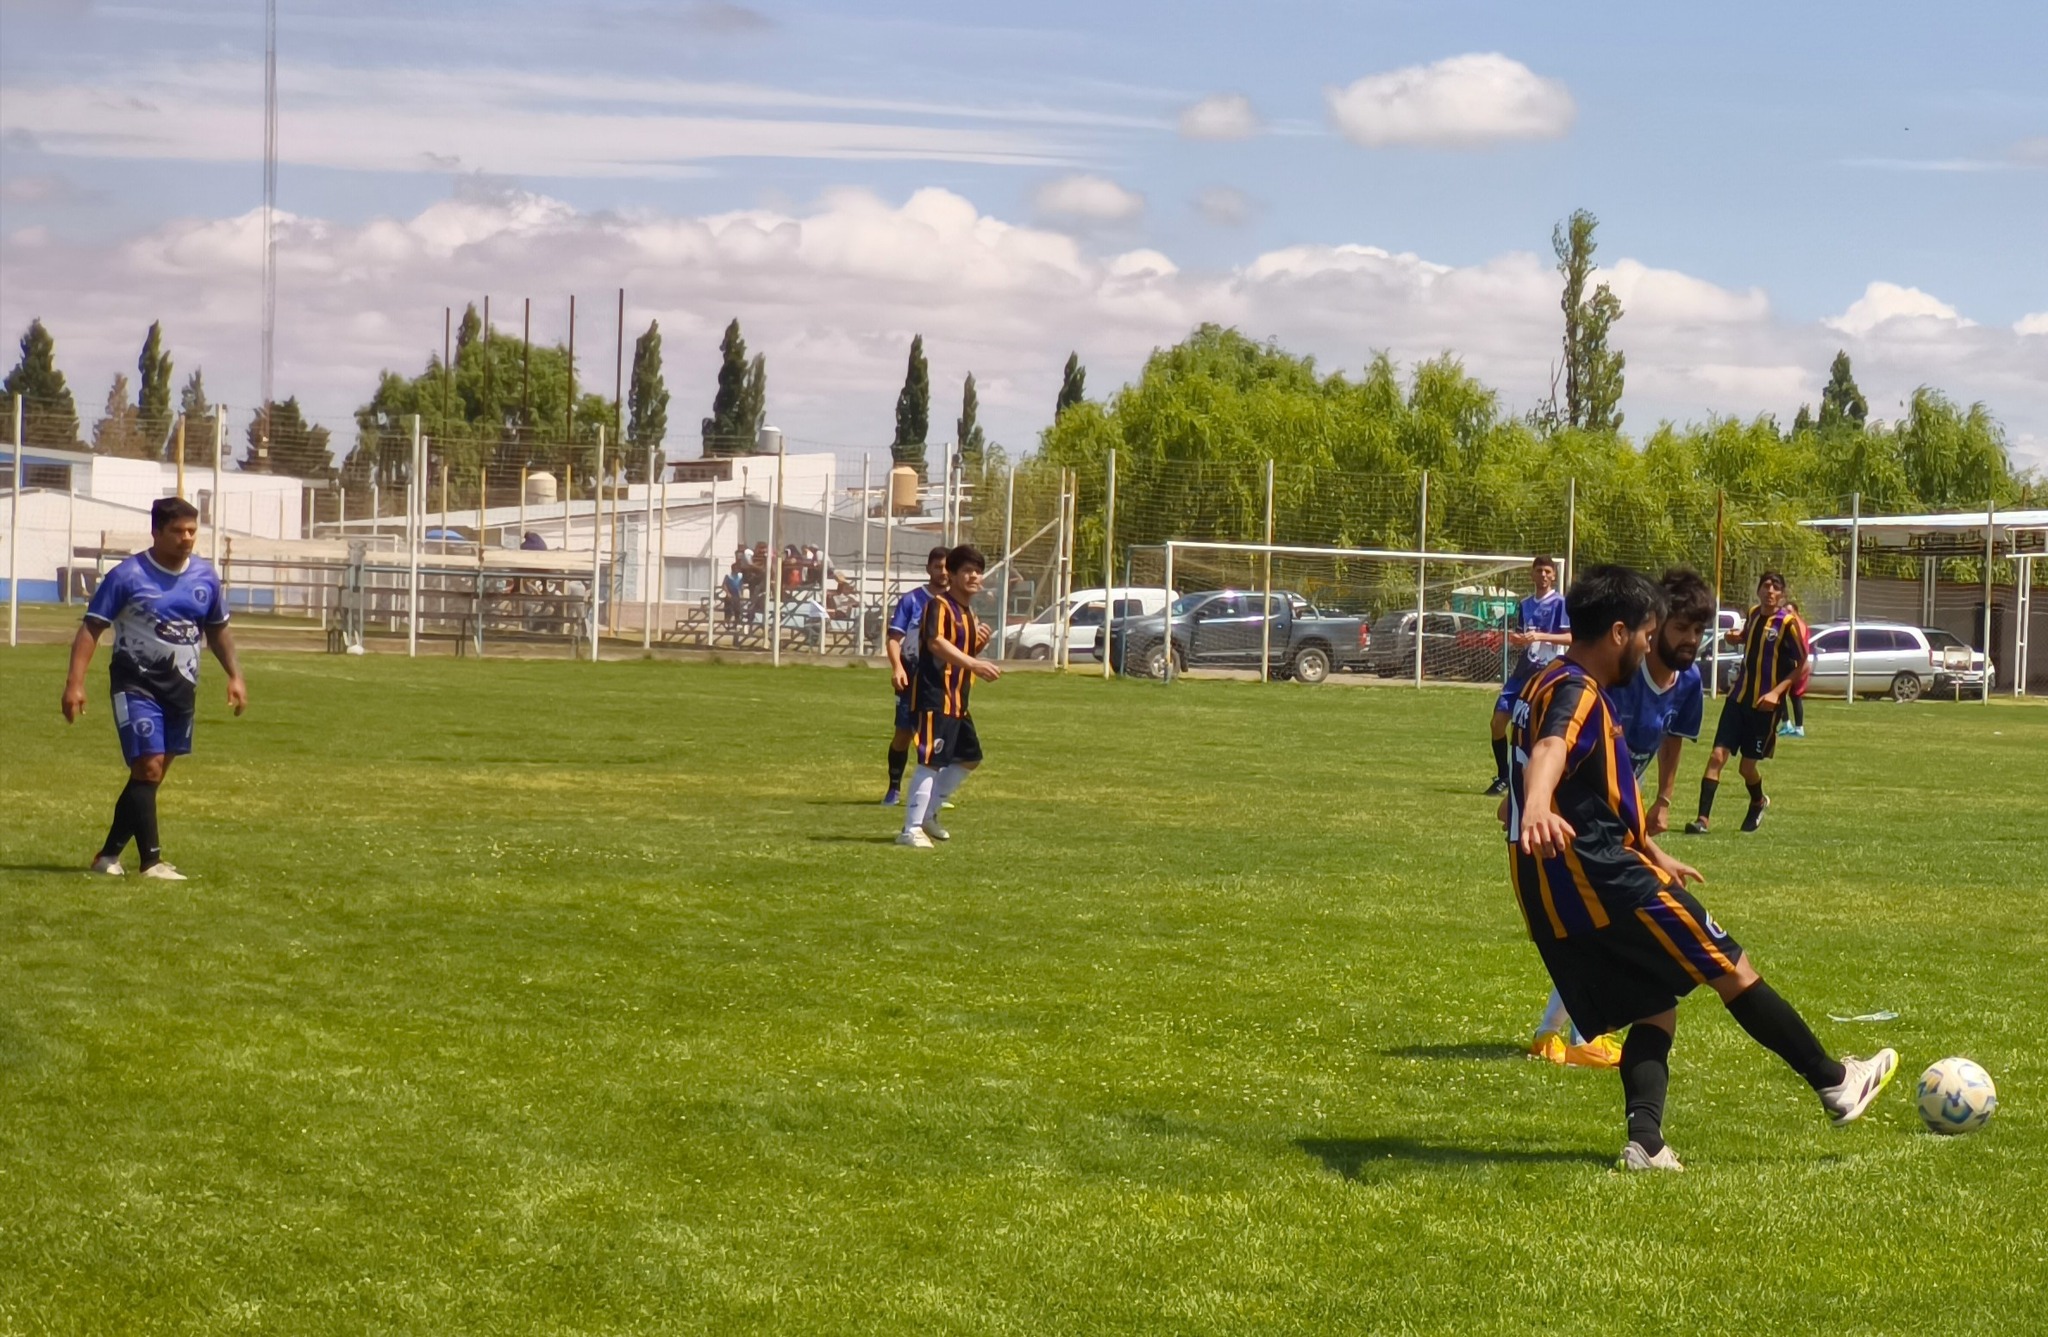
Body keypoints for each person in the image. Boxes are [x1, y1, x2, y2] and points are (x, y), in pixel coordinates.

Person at [1506, 564, 1897, 1170]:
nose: (1647, 645)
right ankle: (1834, 1081)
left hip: (1551, 889)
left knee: (1656, 1000)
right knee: (1731, 967)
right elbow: (1552, 750)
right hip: (1604, 877)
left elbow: (1565, 775)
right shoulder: (1578, 690)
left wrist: (1651, 845)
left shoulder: (1542, 680)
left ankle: (1646, 1142)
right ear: (1617, 632)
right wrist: (1536, 804)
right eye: (1644, 633)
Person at [1525, 568, 1712, 1068]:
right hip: (1584, 813)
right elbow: (1554, 737)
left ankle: (1568, 1033)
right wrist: (1534, 796)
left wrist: (1662, 802)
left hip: (1617, 811)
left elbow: (1674, 740)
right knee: (1600, 927)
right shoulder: (1614, 674)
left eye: (1699, 631)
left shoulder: (1688, 681)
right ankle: (1569, 1033)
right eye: (1677, 629)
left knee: (1599, 928)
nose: (1689, 641)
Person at [60, 496, 248, 881]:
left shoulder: (205, 578)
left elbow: (218, 630)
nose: (187, 538)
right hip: (135, 683)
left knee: (152, 776)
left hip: (181, 690)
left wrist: (235, 675)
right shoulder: (127, 576)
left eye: (192, 531)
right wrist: (75, 683)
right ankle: (151, 862)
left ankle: (107, 855)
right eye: (178, 531)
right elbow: (92, 627)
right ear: (156, 531)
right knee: (148, 766)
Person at [1686, 572, 1807, 834]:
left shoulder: (1787, 623)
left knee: (1746, 767)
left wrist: (1777, 693)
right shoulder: (1753, 614)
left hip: (1763, 706)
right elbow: (1751, 638)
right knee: (1717, 756)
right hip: (1738, 698)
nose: (1770, 592)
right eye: (1765, 586)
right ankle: (1702, 820)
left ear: (1782, 594)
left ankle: (1758, 801)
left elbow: (1801, 664)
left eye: (1775, 588)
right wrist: (1736, 637)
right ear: (1758, 590)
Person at [899, 545, 1002, 848]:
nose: (974, 576)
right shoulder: (938, 606)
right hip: (934, 695)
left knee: (969, 758)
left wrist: (977, 648)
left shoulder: (969, 614)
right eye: (967, 571)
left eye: (977, 571)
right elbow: (935, 643)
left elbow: (962, 654)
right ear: (952, 575)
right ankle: (911, 828)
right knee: (930, 760)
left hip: (958, 698)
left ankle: (929, 812)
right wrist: (974, 663)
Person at [1486, 556, 1570, 796]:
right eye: (1538, 571)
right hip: (1523, 673)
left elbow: (1570, 638)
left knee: (1535, 731)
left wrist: (1541, 636)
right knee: (1497, 722)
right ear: (1532, 575)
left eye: (1547, 571)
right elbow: (1524, 638)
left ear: (1553, 575)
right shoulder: (1524, 605)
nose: (1543, 575)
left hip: (1547, 675)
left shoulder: (1560, 604)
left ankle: (1537, 781)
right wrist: (1518, 640)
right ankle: (1503, 775)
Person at [881, 546, 952, 805]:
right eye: (937, 567)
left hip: (942, 679)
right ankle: (894, 788)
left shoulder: (955, 605)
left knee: (939, 736)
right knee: (904, 733)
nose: (942, 572)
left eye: (947, 567)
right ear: (928, 569)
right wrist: (897, 667)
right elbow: (894, 639)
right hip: (912, 674)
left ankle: (932, 793)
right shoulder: (912, 600)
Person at [1779, 601, 1812, 739]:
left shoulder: (1797, 625)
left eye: (1789, 611)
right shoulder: (1798, 624)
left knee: (1789, 694)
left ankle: (1793, 726)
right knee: (1792, 695)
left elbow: (1801, 648)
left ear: (1796, 612)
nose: (1786, 614)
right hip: (1798, 663)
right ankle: (1791, 725)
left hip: (1797, 664)